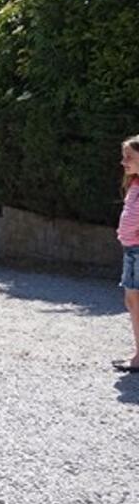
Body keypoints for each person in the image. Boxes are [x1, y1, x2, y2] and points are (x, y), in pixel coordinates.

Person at [113, 135, 139, 373]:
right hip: (131, 249)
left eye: (129, 156)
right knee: (132, 300)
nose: (124, 161)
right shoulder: (134, 185)